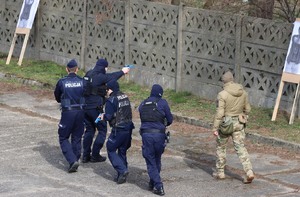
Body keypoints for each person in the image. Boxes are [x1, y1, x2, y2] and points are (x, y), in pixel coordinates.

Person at [82, 59, 130, 163]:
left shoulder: (89, 73)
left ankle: (85, 155)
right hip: (95, 109)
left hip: (85, 108)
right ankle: (95, 155)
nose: (107, 69)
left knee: (89, 130)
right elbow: (111, 77)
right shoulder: (99, 77)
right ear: (104, 67)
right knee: (102, 130)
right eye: (106, 68)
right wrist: (123, 71)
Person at [212, 71, 254, 184]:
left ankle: (220, 172)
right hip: (239, 123)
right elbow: (248, 109)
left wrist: (215, 128)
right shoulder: (243, 92)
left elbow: (220, 113)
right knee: (240, 147)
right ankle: (249, 171)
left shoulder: (222, 94)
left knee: (221, 147)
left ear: (223, 81)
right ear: (232, 79)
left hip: (226, 123)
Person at [138, 84, 173, 196]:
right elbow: (170, 119)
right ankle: (154, 182)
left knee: (150, 160)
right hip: (159, 136)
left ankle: (157, 185)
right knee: (156, 159)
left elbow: (142, 117)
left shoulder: (143, 103)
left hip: (146, 135)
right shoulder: (163, 103)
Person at [98, 80, 134, 184]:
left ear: (110, 89)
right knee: (122, 150)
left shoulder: (111, 100)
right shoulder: (125, 96)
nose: (106, 92)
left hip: (118, 129)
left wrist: (102, 116)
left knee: (111, 148)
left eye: (107, 89)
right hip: (128, 128)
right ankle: (121, 174)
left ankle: (122, 170)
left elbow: (109, 116)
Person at [54, 59, 85, 173]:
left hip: (68, 112)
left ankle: (72, 161)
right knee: (77, 136)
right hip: (81, 112)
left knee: (63, 137)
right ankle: (76, 158)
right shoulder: (82, 81)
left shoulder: (62, 82)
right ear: (77, 69)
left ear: (67, 69)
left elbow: (57, 96)